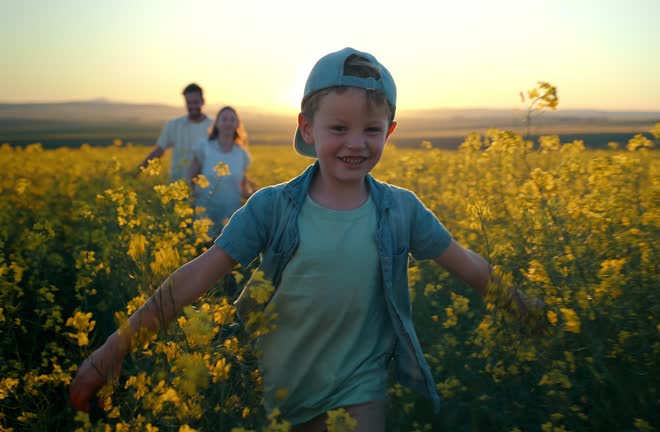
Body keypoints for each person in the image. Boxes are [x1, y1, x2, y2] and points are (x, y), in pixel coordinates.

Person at [70, 47, 542, 431]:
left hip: (361, 387)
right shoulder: (273, 208)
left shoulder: (401, 210)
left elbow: (465, 262)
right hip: (276, 387)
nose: (355, 144)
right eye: (338, 128)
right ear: (306, 128)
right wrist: (111, 352)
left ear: (390, 132)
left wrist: (520, 303)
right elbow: (195, 277)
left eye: (371, 130)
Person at [187, 106, 253, 237]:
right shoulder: (203, 147)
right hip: (205, 215)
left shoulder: (242, 154)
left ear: (237, 124)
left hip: (231, 217)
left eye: (232, 119)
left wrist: (258, 195)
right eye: (224, 119)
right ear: (216, 123)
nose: (228, 123)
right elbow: (190, 178)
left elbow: (242, 186)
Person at [137, 83, 213, 182]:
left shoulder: (215, 126)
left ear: (203, 101)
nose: (192, 106)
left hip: (205, 186)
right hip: (176, 184)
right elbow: (159, 151)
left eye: (195, 102)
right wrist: (138, 171)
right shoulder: (173, 125)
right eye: (189, 103)